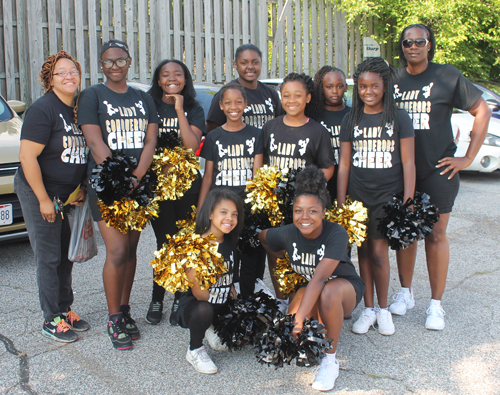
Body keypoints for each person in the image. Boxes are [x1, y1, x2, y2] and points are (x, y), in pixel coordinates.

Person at [391, 24, 491, 330]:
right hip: (401, 170)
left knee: (435, 235)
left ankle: (436, 305)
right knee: (404, 232)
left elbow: (482, 109)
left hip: (439, 170)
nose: (413, 46)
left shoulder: (447, 75)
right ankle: (405, 293)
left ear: (430, 44)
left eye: (420, 41)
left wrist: (468, 158)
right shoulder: (392, 78)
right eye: (408, 42)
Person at [78, 39, 159, 350]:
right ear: (101, 64)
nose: (114, 66)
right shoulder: (92, 95)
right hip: (108, 186)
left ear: (129, 62)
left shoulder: (142, 98)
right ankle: (113, 317)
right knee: (116, 251)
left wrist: (137, 177)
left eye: (120, 60)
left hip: (139, 186)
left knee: (131, 249)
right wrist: (119, 179)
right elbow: (95, 141)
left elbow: (150, 140)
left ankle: (125, 310)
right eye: (108, 61)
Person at [259, 166, 364, 391]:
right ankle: (318, 325)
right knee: (293, 326)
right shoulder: (287, 232)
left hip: (343, 292)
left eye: (312, 211)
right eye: (298, 211)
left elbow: (319, 279)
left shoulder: (336, 233)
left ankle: (330, 360)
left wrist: (298, 322)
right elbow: (262, 237)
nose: (304, 217)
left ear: (324, 212)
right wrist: (280, 260)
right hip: (312, 290)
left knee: (327, 292)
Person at [337, 57, 415, 336]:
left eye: (374, 86)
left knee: (380, 253)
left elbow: (408, 163)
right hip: (358, 197)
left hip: (387, 196)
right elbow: (344, 163)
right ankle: (368, 309)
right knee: (364, 253)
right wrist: (341, 201)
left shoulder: (399, 118)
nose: (367, 92)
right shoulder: (352, 119)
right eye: (361, 86)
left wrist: (407, 200)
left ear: (385, 86)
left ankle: (383, 309)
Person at [15, 51, 89, 343]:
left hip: (65, 195)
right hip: (38, 192)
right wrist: (44, 200)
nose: (69, 76)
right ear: (49, 79)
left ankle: (65, 309)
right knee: (48, 257)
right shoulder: (43, 109)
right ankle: (51, 318)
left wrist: (80, 187)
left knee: (65, 255)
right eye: (61, 72)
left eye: (73, 70)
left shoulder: (78, 109)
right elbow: (27, 157)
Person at [262, 72, 336, 307]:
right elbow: (261, 164)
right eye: (286, 95)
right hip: (274, 203)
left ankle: (304, 296)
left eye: (297, 95)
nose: (291, 100)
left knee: (301, 250)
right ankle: (281, 298)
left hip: (302, 206)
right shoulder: (270, 127)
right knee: (275, 249)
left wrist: (306, 187)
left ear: (307, 98)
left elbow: (328, 168)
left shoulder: (317, 131)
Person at [146, 59, 206, 326]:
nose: (172, 78)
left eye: (177, 74)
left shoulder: (193, 108)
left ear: (185, 79)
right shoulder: (149, 106)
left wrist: (180, 109)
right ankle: (157, 296)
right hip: (158, 188)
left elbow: (192, 146)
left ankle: (181, 297)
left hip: (189, 188)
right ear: (158, 80)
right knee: (163, 244)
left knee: (184, 244)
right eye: (165, 75)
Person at [199, 84, 263, 298]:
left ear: (246, 104)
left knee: (249, 253)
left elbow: (257, 174)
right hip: (221, 207)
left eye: (238, 102)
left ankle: (247, 297)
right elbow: (208, 176)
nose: (233, 106)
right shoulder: (213, 136)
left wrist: (255, 204)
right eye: (228, 102)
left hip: (246, 206)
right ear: (221, 105)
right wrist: (202, 208)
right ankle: (226, 297)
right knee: (226, 252)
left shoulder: (256, 134)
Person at [177, 188, 244, 374]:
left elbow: (231, 275)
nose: (229, 218)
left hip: (221, 300)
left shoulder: (230, 243)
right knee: (204, 310)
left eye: (234, 214)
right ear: (210, 214)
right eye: (223, 212)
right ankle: (195, 350)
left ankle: (213, 326)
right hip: (198, 305)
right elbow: (200, 294)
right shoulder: (197, 247)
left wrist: (231, 290)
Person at [206, 43, 283, 132]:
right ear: (236, 64)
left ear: (261, 62)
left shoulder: (271, 93)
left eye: (255, 62)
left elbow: (280, 125)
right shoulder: (226, 93)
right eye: (244, 63)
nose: (250, 67)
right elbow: (212, 130)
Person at [314, 66, 351, 201]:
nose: (335, 91)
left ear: (346, 87)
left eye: (339, 86)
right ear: (321, 88)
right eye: (329, 87)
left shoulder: (352, 115)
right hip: (324, 180)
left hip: (349, 179)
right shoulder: (314, 116)